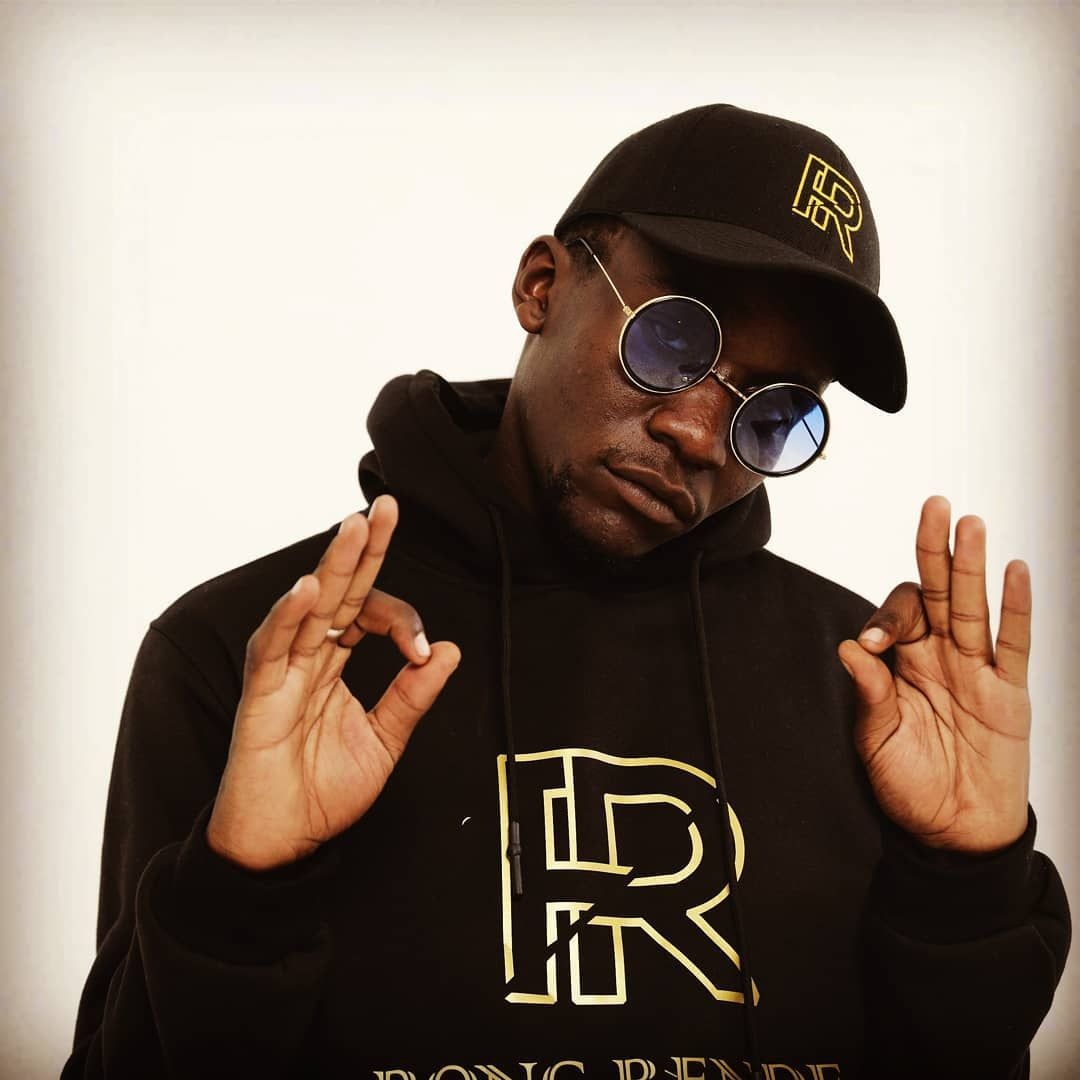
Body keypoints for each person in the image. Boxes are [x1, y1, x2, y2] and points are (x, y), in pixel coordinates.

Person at [63, 104, 1070, 1080]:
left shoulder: (876, 691)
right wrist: (242, 890)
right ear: (542, 285)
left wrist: (968, 882)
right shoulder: (255, 656)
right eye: (672, 340)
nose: (697, 434)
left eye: (774, 409)